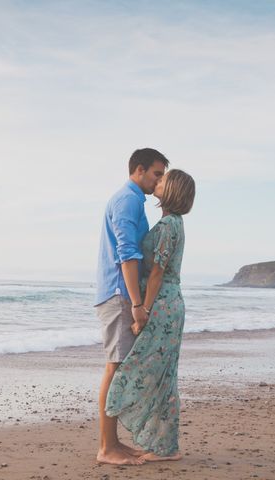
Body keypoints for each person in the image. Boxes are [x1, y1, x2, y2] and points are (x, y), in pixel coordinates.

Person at [106, 169, 196, 462]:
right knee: (158, 375)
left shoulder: (170, 224)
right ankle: (160, 444)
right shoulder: (170, 223)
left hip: (162, 305)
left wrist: (142, 309)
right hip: (165, 303)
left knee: (157, 375)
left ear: (172, 191)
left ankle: (166, 448)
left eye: (162, 181)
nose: (157, 183)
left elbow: (157, 273)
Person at [95, 148, 169, 465]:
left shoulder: (135, 201)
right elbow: (127, 254)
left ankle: (114, 442)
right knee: (115, 366)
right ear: (138, 170)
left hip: (121, 293)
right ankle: (106, 448)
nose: (160, 180)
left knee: (121, 366)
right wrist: (137, 302)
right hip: (119, 294)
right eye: (157, 173)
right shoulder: (127, 200)